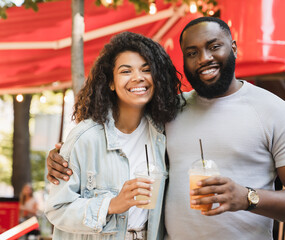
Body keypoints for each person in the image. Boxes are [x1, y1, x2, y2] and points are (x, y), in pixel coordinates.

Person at [46, 17, 285, 240]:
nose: (204, 58)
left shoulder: (275, 112)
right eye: (192, 53)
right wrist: (64, 155)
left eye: (214, 46)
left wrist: (247, 197)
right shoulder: (168, 112)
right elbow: (115, 137)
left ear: (234, 47)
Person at [44, 31, 184, 240]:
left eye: (146, 70)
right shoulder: (85, 138)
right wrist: (111, 204)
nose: (138, 77)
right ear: (110, 82)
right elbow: (56, 209)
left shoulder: (163, 133)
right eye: (126, 71)